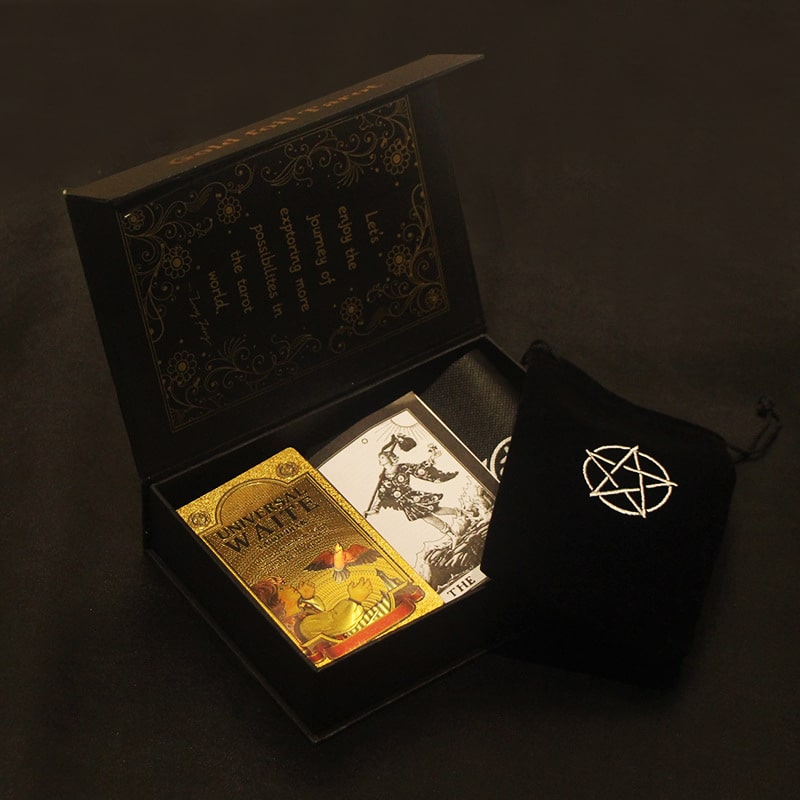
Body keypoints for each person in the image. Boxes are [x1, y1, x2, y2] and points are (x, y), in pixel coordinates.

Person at [364, 435, 461, 546]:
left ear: (389, 457)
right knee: (428, 518)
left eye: (382, 457)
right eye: (380, 457)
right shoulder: (383, 478)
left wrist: (431, 458)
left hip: (413, 497)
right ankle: (453, 535)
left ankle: (462, 514)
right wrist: (374, 509)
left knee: (436, 510)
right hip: (406, 504)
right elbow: (381, 495)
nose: (380, 459)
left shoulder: (401, 467)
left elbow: (418, 469)